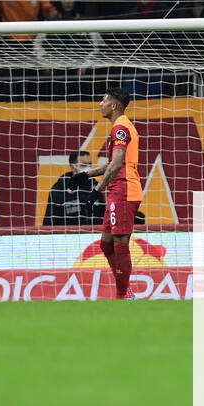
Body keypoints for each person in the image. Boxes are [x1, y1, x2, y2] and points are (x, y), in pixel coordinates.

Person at [72, 88, 142, 299]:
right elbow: (114, 163)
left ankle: (123, 295)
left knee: (120, 243)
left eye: (103, 101)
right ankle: (126, 292)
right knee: (106, 244)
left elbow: (117, 163)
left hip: (124, 189)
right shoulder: (121, 126)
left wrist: (96, 190)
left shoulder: (120, 128)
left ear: (113, 105)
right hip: (118, 189)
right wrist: (86, 175)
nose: (99, 104)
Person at [43, 150, 103, 226]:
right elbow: (50, 219)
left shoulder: (95, 185)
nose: (88, 168)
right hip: (68, 234)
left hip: (93, 233)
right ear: (72, 167)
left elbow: (102, 213)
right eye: (84, 165)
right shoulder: (60, 188)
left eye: (90, 164)